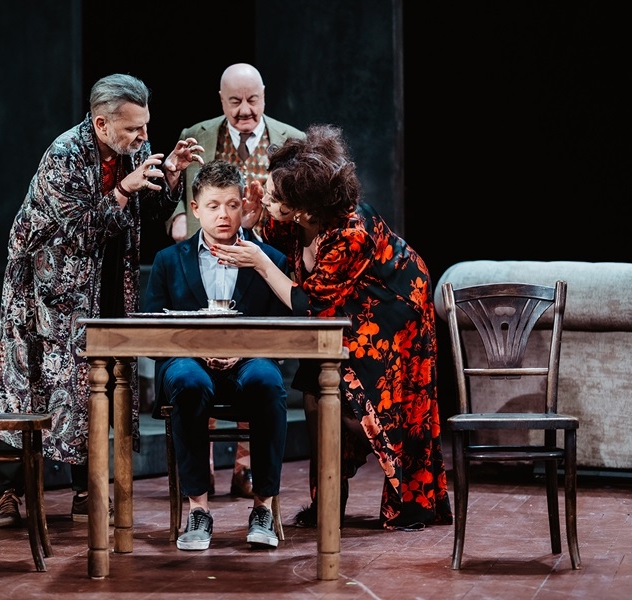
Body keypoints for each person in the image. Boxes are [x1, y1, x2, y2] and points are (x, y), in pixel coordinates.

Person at [211, 124, 454, 531]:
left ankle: (409, 498)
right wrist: (253, 220)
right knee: (314, 388)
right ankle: (327, 500)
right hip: (342, 307)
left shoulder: (350, 233)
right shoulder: (301, 213)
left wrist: (261, 263)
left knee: (365, 408)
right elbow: (275, 234)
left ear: (304, 209)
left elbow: (309, 304)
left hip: (392, 307)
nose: (265, 196)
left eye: (273, 196)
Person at [0, 73, 203, 528]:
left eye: (145, 126)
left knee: (92, 380)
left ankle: (87, 489)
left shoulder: (134, 150)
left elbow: (147, 213)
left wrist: (170, 177)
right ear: (101, 123)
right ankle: (7, 489)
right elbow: (79, 231)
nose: (143, 136)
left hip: (102, 278)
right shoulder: (64, 155)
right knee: (28, 381)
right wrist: (123, 189)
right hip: (44, 287)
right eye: (133, 128)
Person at [167, 63, 304, 498]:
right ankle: (202, 468)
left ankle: (246, 468)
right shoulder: (197, 135)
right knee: (201, 357)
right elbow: (183, 198)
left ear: (264, 95)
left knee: (253, 362)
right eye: (235, 102)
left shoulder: (292, 140)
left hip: (263, 263)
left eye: (252, 100)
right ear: (221, 101)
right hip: (205, 258)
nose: (244, 110)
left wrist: (266, 243)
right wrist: (179, 218)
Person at [143, 160, 291, 550]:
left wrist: (241, 350)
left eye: (231, 204)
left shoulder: (270, 260)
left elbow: (283, 330)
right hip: (188, 361)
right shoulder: (168, 260)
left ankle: (263, 507)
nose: (223, 214)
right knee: (188, 381)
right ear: (195, 209)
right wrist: (197, 349)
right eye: (213, 206)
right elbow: (151, 329)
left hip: (249, 360)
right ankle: (198, 510)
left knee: (268, 381)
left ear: (244, 205)